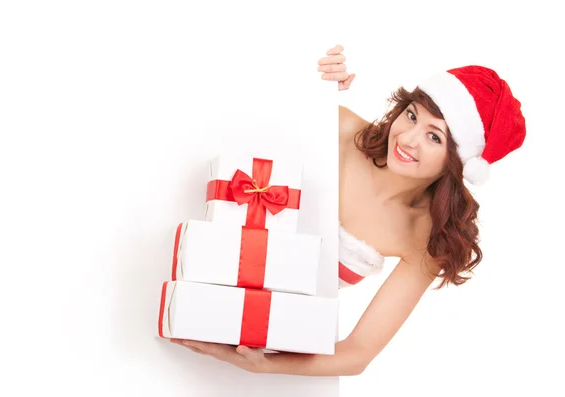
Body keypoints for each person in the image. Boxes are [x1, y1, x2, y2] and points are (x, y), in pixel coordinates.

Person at [170, 44, 527, 376]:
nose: (407, 138)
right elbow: (236, 114)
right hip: (182, 259)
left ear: (459, 163)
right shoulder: (340, 128)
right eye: (412, 115)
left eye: (434, 137)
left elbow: (358, 352)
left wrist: (262, 366)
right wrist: (308, 81)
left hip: (245, 343)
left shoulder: (424, 238)